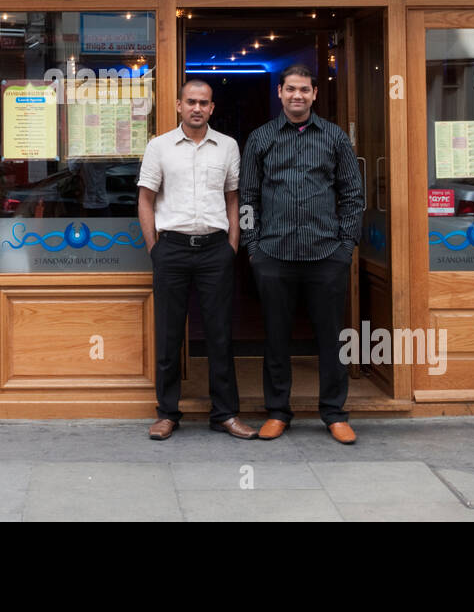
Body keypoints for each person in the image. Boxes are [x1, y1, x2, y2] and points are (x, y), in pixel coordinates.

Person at [241, 64, 365, 443]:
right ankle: (278, 412)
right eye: (291, 89)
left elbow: (352, 196)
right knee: (276, 338)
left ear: (314, 94)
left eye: (305, 90)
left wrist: (346, 246)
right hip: (274, 255)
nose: (298, 95)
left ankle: (334, 413)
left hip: (327, 254)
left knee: (331, 337)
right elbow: (247, 198)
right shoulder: (260, 139)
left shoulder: (336, 138)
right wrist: (253, 247)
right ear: (280, 92)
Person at [137, 80, 258, 440]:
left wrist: (232, 244)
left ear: (212, 108)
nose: (197, 108)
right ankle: (167, 413)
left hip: (214, 249)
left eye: (203, 103)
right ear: (178, 105)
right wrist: (154, 248)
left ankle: (224, 413)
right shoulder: (159, 146)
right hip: (171, 248)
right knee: (169, 334)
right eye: (191, 101)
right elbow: (145, 199)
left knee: (220, 334)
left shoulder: (228, 147)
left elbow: (233, 198)